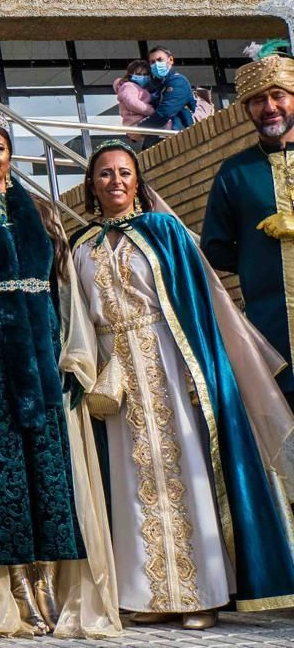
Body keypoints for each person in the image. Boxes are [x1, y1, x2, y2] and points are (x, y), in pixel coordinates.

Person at [63, 139, 294, 628]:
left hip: (169, 361)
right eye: (105, 174)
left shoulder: (165, 230)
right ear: (91, 185)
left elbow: (197, 307)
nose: (116, 182)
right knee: (128, 483)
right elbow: (77, 317)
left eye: (125, 172)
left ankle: (201, 595)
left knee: (185, 472)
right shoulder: (80, 246)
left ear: (138, 181)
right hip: (117, 373)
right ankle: (145, 596)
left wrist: (200, 373)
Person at [0, 111, 101, 638]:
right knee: (4, 473)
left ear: (10, 154)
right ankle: (15, 590)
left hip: (40, 349)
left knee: (48, 469)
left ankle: (48, 585)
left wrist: (70, 352)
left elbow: (63, 286)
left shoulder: (41, 212)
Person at [202, 50, 294, 405]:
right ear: (247, 110)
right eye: (257, 100)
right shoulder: (235, 172)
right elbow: (215, 247)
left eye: (277, 95)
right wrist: (259, 257)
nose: (268, 106)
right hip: (271, 330)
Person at [139, 45, 196, 135]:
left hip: (181, 135)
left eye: (160, 60)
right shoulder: (154, 85)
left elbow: (165, 112)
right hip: (160, 136)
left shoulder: (178, 82)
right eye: (152, 62)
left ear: (170, 60)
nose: (156, 64)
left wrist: (139, 130)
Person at [113, 59, 153, 138]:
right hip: (136, 123)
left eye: (145, 74)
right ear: (130, 74)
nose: (142, 77)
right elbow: (133, 103)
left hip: (137, 124)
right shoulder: (129, 86)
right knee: (167, 123)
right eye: (138, 74)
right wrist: (152, 111)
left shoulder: (142, 88)